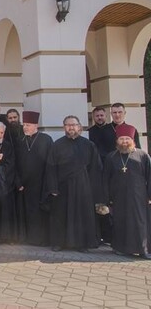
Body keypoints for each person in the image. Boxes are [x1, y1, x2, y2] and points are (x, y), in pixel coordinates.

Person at [43, 115, 103, 252]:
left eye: (74, 124)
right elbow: (51, 168)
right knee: (61, 215)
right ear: (64, 127)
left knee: (81, 216)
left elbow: (95, 168)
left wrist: (93, 188)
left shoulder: (89, 145)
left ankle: (82, 244)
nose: (71, 127)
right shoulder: (57, 145)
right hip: (62, 187)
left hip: (83, 187)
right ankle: (59, 243)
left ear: (79, 127)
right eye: (68, 125)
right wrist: (52, 187)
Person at [101, 124, 151, 259]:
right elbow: (105, 179)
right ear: (117, 140)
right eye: (121, 139)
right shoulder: (111, 157)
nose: (124, 142)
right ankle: (121, 248)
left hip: (139, 197)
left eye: (127, 139)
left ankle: (143, 249)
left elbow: (150, 176)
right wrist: (106, 198)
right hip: (118, 197)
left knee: (140, 223)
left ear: (132, 140)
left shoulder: (142, 155)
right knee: (120, 222)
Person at [14, 111, 52, 246]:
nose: (25, 127)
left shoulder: (46, 140)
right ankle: (28, 238)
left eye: (28, 125)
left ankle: (41, 240)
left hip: (41, 183)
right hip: (24, 185)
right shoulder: (20, 140)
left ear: (36, 125)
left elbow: (50, 163)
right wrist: (18, 182)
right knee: (26, 212)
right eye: (24, 124)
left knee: (40, 213)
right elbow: (15, 163)